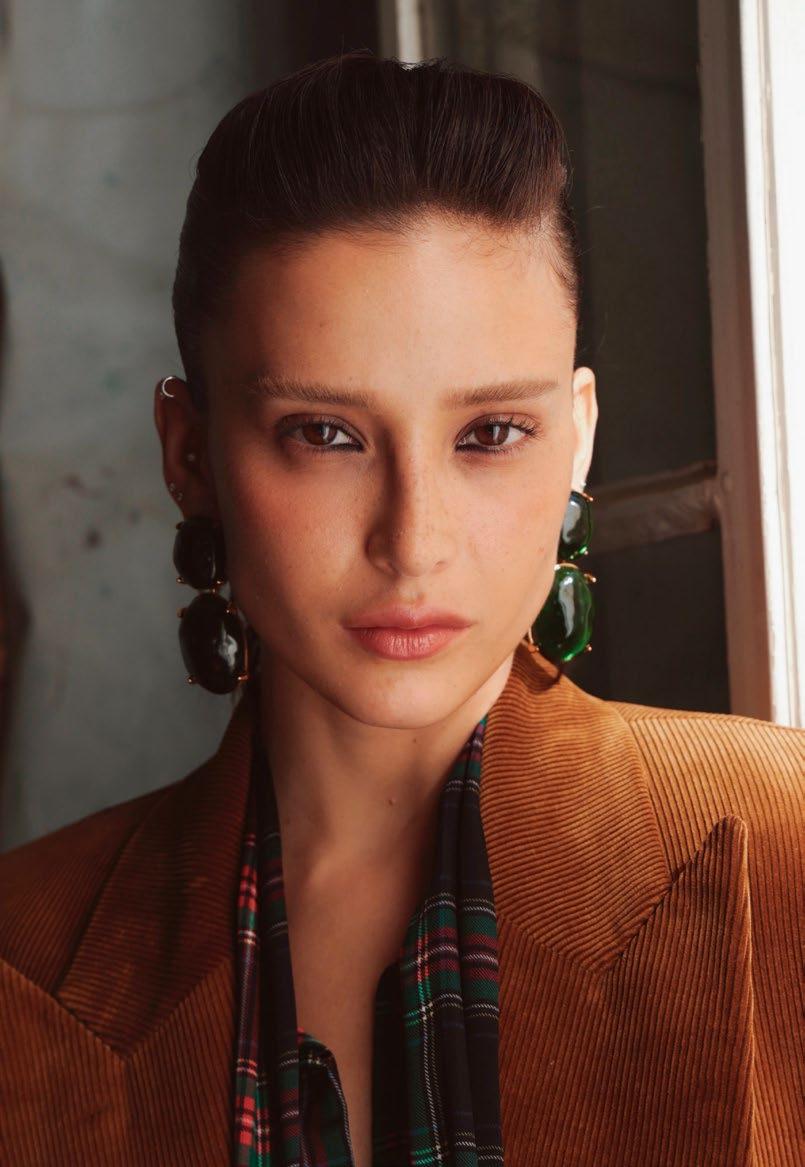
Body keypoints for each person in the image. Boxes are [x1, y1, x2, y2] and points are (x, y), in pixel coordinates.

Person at [0, 50, 801, 1167]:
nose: (412, 541)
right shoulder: (24, 957)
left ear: (577, 440)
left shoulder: (781, 855)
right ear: (189, 454)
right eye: (325, 435)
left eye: (490, 434)